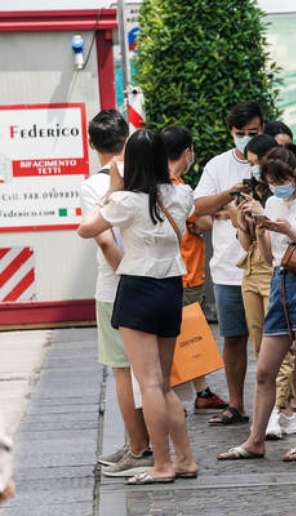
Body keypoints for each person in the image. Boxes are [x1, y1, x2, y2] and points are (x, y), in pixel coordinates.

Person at [78, 128, 198, 484]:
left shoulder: (125, 201)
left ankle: (161, 464)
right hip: (170, 288)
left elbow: (86, 229)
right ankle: (186, 459)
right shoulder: (182, 194)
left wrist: (113, 189)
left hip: (138, 287)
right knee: (164, 384)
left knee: (147, 383)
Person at [217, 147, 296, 462]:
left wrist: (289, 231)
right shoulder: (272, 201)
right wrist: (257, 225)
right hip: (279, 282)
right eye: (271, 182)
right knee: (265, 369)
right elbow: (270, 257)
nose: (278, 187)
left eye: (282, 180)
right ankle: (255, 440)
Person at [79, 110, 153, 476]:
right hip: (148, 280)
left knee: (123, 373)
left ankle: (139, 449)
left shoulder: (95, 186)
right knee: (148, 373)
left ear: (92, 145)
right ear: (126, 138)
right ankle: (140, 442)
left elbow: (106, 243)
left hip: (115, 287)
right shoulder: (143, 173)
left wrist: (126, 278)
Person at [193, 101, 261, 426]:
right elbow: (197, 206)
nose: (246, 139)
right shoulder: (218, 166)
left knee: (272, 340)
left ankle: (278, 405)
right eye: (240, 134)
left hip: (266, 266)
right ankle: (236, 403)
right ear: (230, 132)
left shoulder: (272, 160)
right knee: (233, 338)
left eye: (253, 133)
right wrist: (227, 196)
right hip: (228, 269)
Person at [159, 126, 228, 412]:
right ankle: (180, 393)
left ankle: (201, 390)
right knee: (186, 335)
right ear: (187, 152)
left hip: (168, 271)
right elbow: (204, 223)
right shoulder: (180, 190)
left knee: (181, 334)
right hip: (186, 272)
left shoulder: (154, 185)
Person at [238, 134, 296, 439]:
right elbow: (248, 244)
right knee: (259, 345)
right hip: (251, 271)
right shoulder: (254, 194)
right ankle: (279, 409)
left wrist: (265, 219)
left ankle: (280, 409)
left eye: (254, 163)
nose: (251, 170)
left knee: (280, 346)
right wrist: (244, 221)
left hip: (275, 272)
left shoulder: (284, 197)